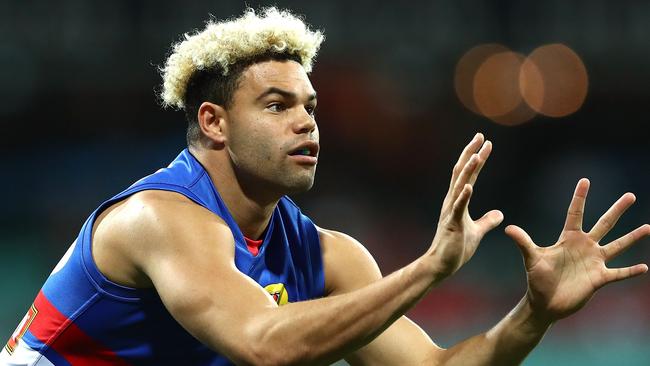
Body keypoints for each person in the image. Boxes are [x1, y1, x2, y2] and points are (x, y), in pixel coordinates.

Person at [2, 7, 648, 366]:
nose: (307, 120)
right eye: (278, 105)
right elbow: (261, 345)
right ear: (213, 122)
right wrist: (427, 270)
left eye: (310, 105)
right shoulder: (159, 218)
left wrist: (533, 314)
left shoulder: (326, 255)